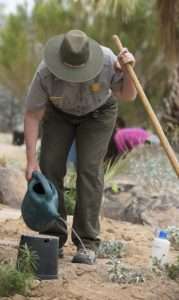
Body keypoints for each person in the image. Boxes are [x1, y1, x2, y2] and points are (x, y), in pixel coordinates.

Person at [24, 29, 137, 264]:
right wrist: (31, 161)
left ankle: (87, 241)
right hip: (59, 114)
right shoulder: (45, 72)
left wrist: (127, 71)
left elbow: (127, 96)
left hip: (98, 113)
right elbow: (33, 115)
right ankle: (52, 236)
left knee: (89, 169)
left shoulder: (107, 61)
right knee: (50, 166)